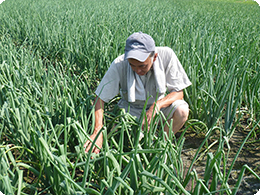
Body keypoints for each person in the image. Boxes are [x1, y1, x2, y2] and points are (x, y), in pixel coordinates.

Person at [84, 32, 192, 154]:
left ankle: (162, 144)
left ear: (154, 57)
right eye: (132, 65)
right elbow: (100, 98)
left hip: (158, 109)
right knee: (129, 144)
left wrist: (156, 106)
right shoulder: (119, 64)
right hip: (130, 111)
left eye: (142, 66)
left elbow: (179, 92)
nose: (137, 70)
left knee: (182, 110)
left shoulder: (167, 55)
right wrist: (97, 131)